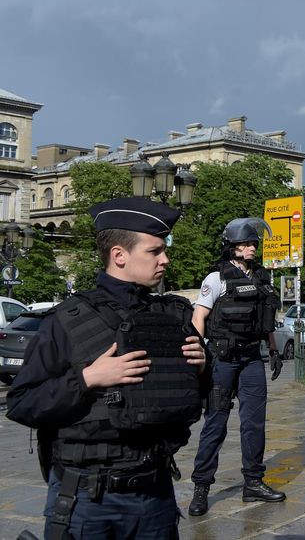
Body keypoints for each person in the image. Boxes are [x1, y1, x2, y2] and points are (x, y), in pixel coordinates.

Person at [6, 197, 207, 539]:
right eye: (155, 251)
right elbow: (22, 402)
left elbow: (188, 400)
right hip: (90, 498)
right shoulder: (66, 321)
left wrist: (201, 368)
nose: (165, 259)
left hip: (156, 492)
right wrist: (88, 378)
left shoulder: (171, 317)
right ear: (119, 255)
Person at [188, 217, 285, 516]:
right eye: (245, 243)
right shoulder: (216, 278)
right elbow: (199, 318)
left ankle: (253, 483)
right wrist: (200, 354)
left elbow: (264, 318)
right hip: (222, 360)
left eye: (254, 242)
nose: (252, 247)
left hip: (251, 359)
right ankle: (201, 488)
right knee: (216, 424)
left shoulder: (261, 278)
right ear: (231, 247)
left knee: (254, 424)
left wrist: (272, 347)